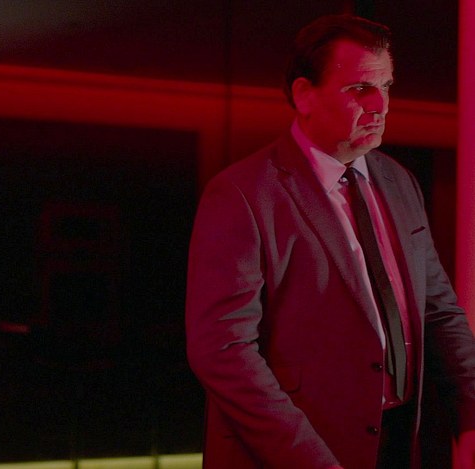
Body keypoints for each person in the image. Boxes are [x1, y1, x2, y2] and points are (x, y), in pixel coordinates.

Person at [185, 14, 475, 469]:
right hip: (295, 453)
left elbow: (438, 310)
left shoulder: (399, 181)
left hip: (400, 443)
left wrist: (472, 417)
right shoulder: (242, 194)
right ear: (304, 95)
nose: (380, 105)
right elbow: (223, 352)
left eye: (387, 86)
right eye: (360, 89)